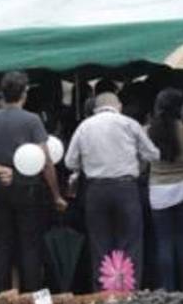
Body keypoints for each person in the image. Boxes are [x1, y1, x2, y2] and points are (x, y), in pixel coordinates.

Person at [0, 70, 66, 294]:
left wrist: (0, 169)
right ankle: (31, 294)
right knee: (29, 244)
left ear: (2, 94)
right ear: (24, 94)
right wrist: (56, 195)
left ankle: (3, 294)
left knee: (3, 245)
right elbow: (46, 162)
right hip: (28, 188)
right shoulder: (32, 121)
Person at [64, 92, 158, 281]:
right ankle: (128, 292)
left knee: (100, 245)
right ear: (119, 106)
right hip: (126, 189)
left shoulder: (84, 126)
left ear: (96, 108)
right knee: (130, 243)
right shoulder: (129, 124)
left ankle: (104, 295)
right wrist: (137, 161)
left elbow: (69, 162)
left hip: (96, 190)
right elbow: (153, 154)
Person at [147, 88, 183, 292]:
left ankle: (167, 289)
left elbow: (143, 161)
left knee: (164, 242)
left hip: (159, 189)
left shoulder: (147, 130)